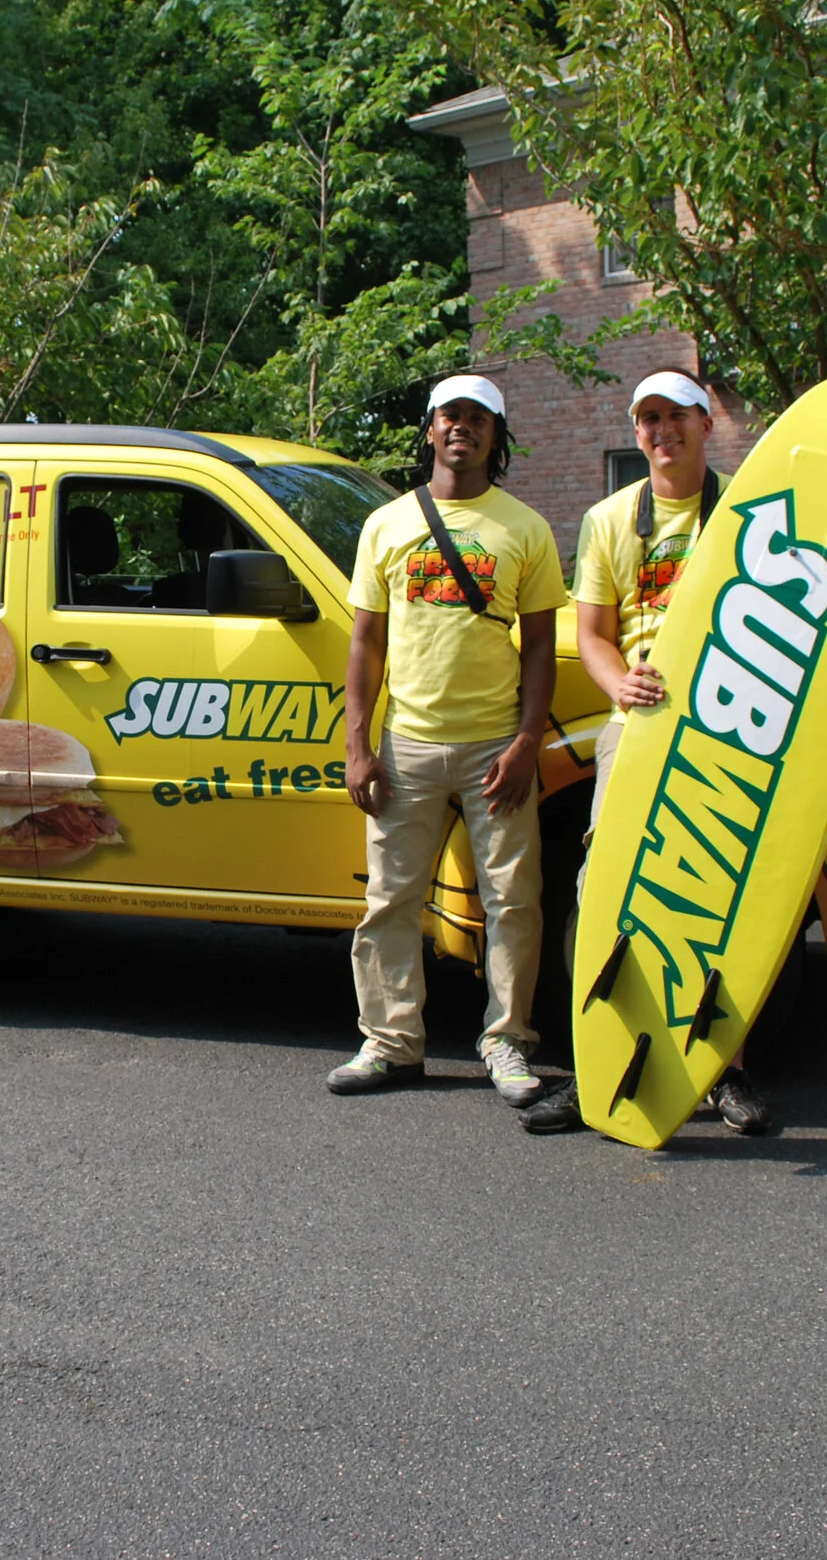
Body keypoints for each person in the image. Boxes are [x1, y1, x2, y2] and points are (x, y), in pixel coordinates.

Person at [516, 368, 772, 1135]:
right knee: (604, 896)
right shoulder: (606, 520)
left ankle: (724, 1074)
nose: (662, 431)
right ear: (636, 433)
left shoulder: (749, 514)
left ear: (708, 423)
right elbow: (592, 632)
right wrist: (619, 684)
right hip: (639, 732)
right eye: (648, 419)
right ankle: (596, 1071)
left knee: (721, 904)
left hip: (731, 732)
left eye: (677, 416)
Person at [329, 374, 568, 1104]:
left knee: (514, 904)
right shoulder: (388, 525)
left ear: (496, 438)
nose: (461, 428)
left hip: (496, 748)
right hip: (408, 747)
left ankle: (507, 1044)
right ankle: (391, 1045)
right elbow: (365, 644)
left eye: (477, 419)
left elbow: (539, 648)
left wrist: (528, 740)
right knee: (390, 901)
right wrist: (358, 746)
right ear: (430, 430)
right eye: (449, 417)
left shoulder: (524, 529)